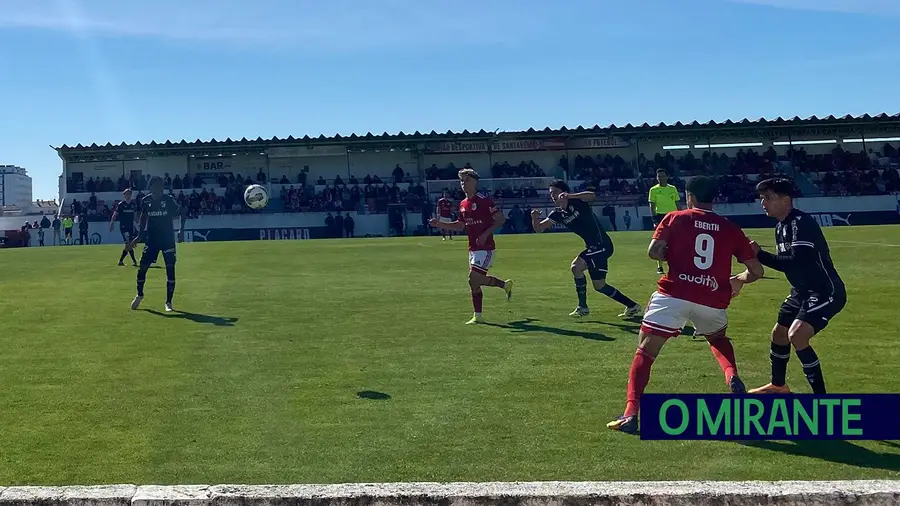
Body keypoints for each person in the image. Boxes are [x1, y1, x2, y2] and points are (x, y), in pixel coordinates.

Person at [607, 175, 764, 434]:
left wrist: (677, 255)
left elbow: (654, 251)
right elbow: (756, 271)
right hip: (712, 299)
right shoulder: (730, 227)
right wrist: (738, 280)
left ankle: (631, 412)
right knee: (718, 340)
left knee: (645, 352)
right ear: (715, 198)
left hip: (674, 294)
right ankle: (732, 376)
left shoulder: (675, 218)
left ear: (689, 196)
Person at [747, 178, 846, 395]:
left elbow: (795, 262)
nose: (763, 202)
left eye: (768, 197)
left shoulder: (800, 223)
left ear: (786, 200)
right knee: (779, 335)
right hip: (801, 291)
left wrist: (759, 255)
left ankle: (821, 397)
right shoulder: (780, 226)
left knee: (797, 335)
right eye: (762, 198)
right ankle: (779, 386)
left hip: (825, 291)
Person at [531, 180, 642, 318]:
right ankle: (632, 306)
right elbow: (539, 229)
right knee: (599, 285)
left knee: (576, 267)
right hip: (593, 248)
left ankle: (582, 307)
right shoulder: (557, 214)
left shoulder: (577, 203)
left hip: (602, 245)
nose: (552, 196)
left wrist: (570, 196)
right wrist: (535, 218)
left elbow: (591, 196)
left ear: (563, 192)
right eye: (550, 194)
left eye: (555, 192)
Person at [429, 169, 513, 324]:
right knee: (475, 281)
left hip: (486, 248)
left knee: (472, 278)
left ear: (475, 182)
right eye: (462, 181)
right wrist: (439, 224)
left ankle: (491, 299)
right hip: (473, 249)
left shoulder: (484, 201)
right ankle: (480, 313)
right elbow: (460, 226)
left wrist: (485, 234)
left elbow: (500, 219)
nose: (464, 184)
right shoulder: (462, 204)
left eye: (467, 180)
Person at [129, 177, 186, 312]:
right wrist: (139, 235)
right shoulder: (146, 201)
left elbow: (182, 212)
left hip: (167, 240)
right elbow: (143, 217)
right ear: (151, 187)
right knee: (142, 267)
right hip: (152, 240)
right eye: (156, 186)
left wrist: (181, 231)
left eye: (161, 186)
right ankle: (139, 294)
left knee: (170, 269)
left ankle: (168, 302)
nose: (159, 188)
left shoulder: (168, 200)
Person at [648, 169, 681, 274]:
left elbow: (677, 203)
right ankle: (659, 266)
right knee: (659, 241)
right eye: (659, 176)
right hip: (660, 216)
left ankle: (675, 263)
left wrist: (682, 215)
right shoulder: (653, 190)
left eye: (662, 176)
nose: (661, 178)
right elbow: (652, 206)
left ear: (667, 177)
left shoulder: (672, 188)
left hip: (673, 216)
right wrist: (654, 219)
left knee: (675, 240)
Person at [110, 188, 138, 266]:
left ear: (130, 195)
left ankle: (121, 261)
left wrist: (138, 224)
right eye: (125, 194)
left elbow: (135, 216)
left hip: (131, 227)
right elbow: (115, 215)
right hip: (124, 227)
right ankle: (133, 261)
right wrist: (112, 223)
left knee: (129, 245)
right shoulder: (121, 204)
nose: (127, 196)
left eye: (128, 194)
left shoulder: (133, 205)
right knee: (128, 244)